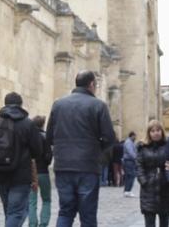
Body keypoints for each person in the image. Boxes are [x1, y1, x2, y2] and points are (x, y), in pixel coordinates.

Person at [47, 70, 117, 227]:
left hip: (63, 165)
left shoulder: (58, 104)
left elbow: (49, 136)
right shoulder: (98, 105)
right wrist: (96, 149)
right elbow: (109, 138)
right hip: (88, 166)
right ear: (92, 84)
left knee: (65, 211)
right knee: (88, 214)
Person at [0, 92, 44, 227]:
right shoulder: (28, 124)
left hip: (0, 175)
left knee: (9, 211)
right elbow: (38, 151)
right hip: (21, 176)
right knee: (17, 212)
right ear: (20, 105)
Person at [137, 121, 169, 227]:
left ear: (162, 132)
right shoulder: (142, 147)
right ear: (149, 133)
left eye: (158, 130)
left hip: (165, 189)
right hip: (148, 190)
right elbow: (139, 166)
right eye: (152, 131)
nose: (156, 133)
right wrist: (143, 181)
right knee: (149, 223)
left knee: (164, 223)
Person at [28, 115, 54, 227]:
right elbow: (49, 157)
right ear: (43, 124)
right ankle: (43, 223)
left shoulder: (29, 137)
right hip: (43, 171)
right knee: (46, 200)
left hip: (31, 173)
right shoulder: (46, 137)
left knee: (32, 201)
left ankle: (32, 224)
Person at [122, 132, 138, 197]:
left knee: (129, 176)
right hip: (129, 161)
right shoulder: (128, 142)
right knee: (131, 176)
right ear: (132, 136)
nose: (135, 138)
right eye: (135, 136)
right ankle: (128, 191)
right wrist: (136, 158)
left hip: (129, 161)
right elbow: (131, 152)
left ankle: (127, 191)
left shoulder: (130, 142)